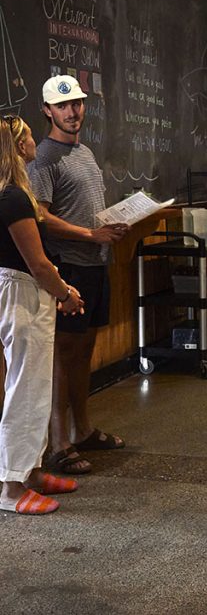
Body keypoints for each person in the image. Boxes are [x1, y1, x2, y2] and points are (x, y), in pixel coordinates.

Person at [28, 76, 128, 476]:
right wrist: (90, 233)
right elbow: (39, 216)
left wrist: (111, 228)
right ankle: (58, 444)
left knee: (84, 352)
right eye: (63, 106)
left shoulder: (85, 152)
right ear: (47, 110)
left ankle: (82, 429)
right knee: (64, 355)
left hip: (95, 264)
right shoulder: (43, 157)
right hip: (67, 267)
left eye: (78, 104)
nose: (72, 112)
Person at [0, 115, 85, 515]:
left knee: (34, 388)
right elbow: (37, 264)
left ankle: (30, 471)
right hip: (24, 291)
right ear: (19, 147)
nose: (35, 140)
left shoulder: (16, 193)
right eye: (30, 136)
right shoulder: (13, 198)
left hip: (25, 291)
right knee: (25, 391)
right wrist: (66, 292)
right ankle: (11, 489)